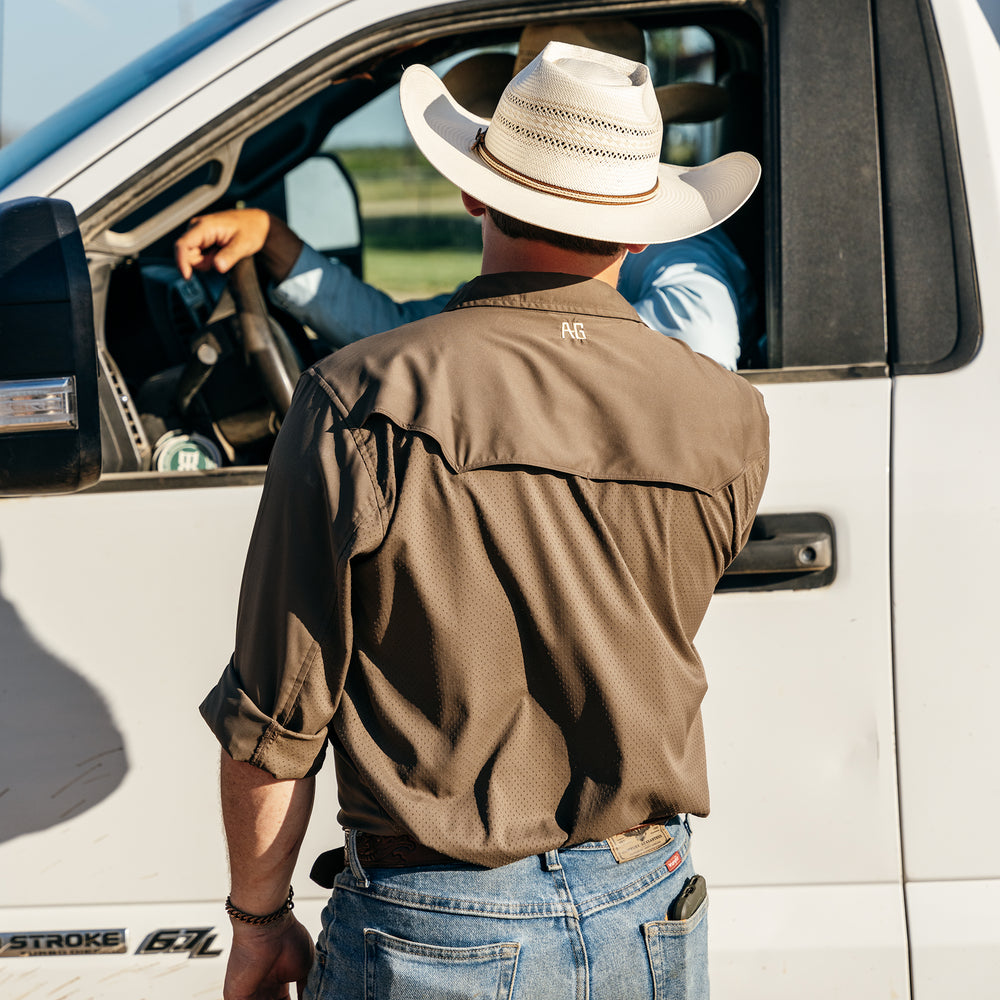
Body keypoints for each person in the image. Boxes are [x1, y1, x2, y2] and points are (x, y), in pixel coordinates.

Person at [199, 40, 768, 1000]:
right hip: (650, 897)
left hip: (433, 918)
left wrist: (258, 924)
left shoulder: (359, 396)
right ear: (639, 230)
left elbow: (276, 716)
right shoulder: (729, 414)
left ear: (472, 192)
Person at [176, 22, 756, 370]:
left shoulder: (684, 259)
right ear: (639, 227)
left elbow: (702, 350)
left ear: (474, 195)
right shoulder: (523, 287)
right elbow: (404, 328)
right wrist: (277, 243)